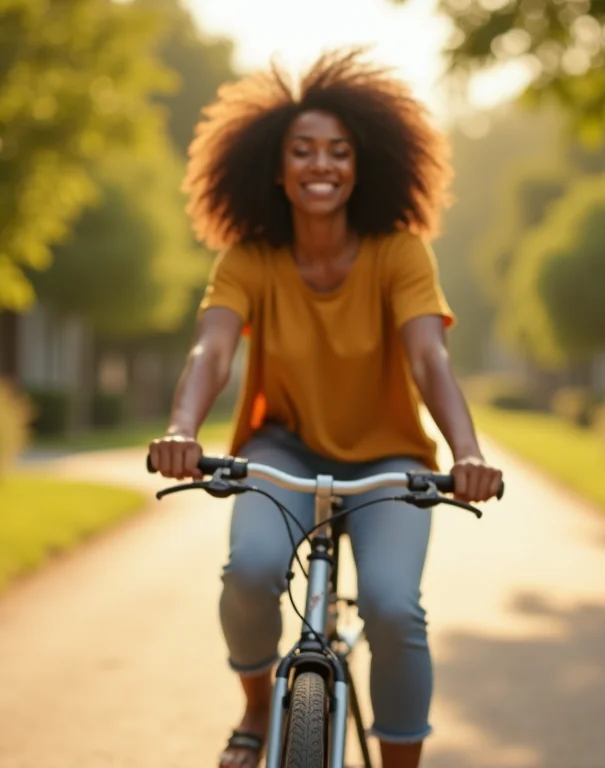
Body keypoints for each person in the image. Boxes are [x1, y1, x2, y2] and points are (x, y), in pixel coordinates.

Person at [148, 47, 503, 768]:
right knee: (249, 571)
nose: (322, 164)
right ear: (275, 169)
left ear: (361, 167)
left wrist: (465, 452)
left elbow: (429, 359)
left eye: (340, 151)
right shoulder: (249, 258)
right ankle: (256, 708)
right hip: (282, 446)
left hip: (390, 458)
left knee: (394, 609)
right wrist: (181, 429)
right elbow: (211, 350)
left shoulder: (399, 253)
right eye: (303, 149)